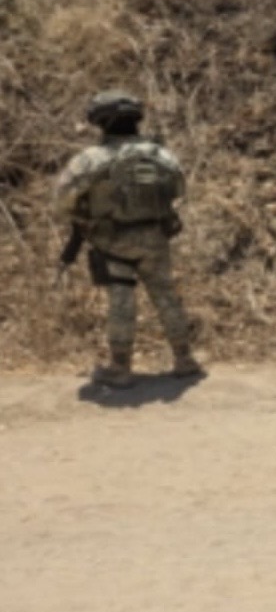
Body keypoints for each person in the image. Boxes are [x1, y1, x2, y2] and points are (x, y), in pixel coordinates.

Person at [55, 90, 203, 388]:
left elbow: (63, 199)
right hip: (155, 237)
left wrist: (88, 216)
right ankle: (185, 359)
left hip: (113, 240)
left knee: (121, 298)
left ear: (101, 122)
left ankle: (120, 367)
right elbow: (180, 190)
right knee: (166, 295)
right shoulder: (160, 154)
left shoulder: (91, 159)